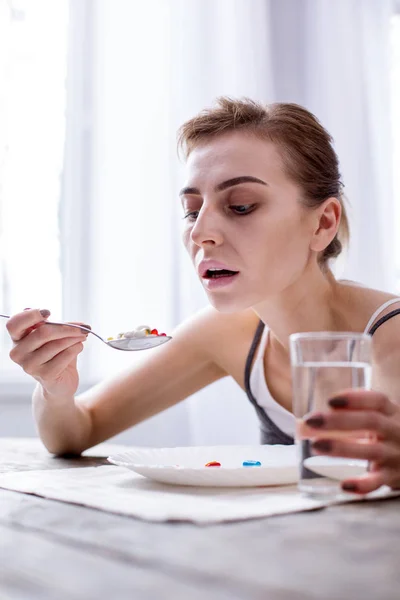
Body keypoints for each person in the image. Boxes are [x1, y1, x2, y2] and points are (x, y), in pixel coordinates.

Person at [6, 97, 400, 494]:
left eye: (241, 206)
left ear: (323, 223)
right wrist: (55, 387)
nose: (200, 234)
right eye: (192, 211)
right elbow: (75, 432)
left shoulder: (390, 338)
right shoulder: (227, 333)